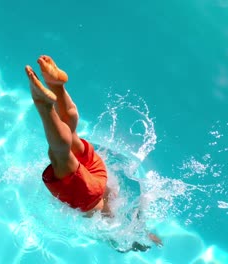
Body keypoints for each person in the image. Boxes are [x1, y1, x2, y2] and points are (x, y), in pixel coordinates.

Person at [25, 55, 162, 250]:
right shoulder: (114, 233)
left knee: (71, 133)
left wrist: (149, 236)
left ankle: (57, 85)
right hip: (89, 195)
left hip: (100, 172)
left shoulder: (126, 218)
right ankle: (45, 107)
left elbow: (138, 230)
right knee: (59, 154)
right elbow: (116, 239)